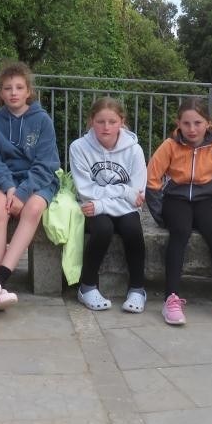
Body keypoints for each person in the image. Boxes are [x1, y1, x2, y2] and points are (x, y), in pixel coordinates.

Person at [146, 97, 212, 327]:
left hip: (206, 198)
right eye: (186, 123)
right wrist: (159, 214)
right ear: (178, 123)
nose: (192, 129)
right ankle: (171, 298)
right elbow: (152, 177)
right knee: (180, 231)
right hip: (176, 198)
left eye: (198, 123)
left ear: (208, 123)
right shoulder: (170, 145)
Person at [0, 61, 60, 310]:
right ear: (1, 93)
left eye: (19, 87)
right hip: (4, 180)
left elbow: (46, 164)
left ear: (28, 91)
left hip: (38, 180)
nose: (13, 92)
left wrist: (23, 192)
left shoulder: (42, 120)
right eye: (7, 88)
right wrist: (9, 187)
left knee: (33, 209)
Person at [69, 97, 148, 313]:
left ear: (122, 121)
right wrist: (124, 191)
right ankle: (87, 287)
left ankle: (137, 289)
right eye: (100, 121)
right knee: (103, 229)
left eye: (112, 122)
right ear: (91, 121)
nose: (106, 127)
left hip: (106, 207)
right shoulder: (79, 147)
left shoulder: (134, 150)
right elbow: (86, 191)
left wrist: (102, 205)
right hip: (93, 205)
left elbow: (137, 193)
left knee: (133, 229)